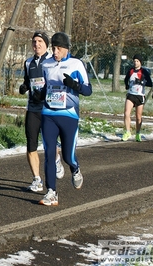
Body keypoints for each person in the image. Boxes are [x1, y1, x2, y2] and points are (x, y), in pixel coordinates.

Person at [39, 32, 92, 206]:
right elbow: (44, 86)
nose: (55, 51)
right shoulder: (46, 64)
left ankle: (75, 169)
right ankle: (51, 192)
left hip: (69, 115)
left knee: (68, 156)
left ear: (66, 49)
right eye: (53, 48)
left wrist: (74, 85)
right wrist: (37, 92)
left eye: (58, 48)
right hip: (49, 114)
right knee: (49, 153)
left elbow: (88, 90)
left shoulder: (76, 64)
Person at [19, 31, 64, 192]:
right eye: (34, 41)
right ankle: (37, 179)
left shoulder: (52, 62)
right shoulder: (28, 62)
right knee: (31, 145)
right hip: (32, 108)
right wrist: (24, 87)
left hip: (48, 109)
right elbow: (27, 81)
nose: (36, 44)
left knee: (49, 145)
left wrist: (45, 93)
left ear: (46, 45)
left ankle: (57, 159)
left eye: (40, 41)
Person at [121, 54, 152, 142]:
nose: (135, 63)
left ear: (140, 62)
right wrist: (127, 85)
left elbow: (150, 83)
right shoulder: (130, 70)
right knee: (127, 113)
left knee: (138, 116)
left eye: (137, 61)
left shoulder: (144, 71)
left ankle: (138, 133)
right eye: (134, 61)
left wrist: (141, 82)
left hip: (140, 95)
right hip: (131, 94)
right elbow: (126, 79)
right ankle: (127, 131)